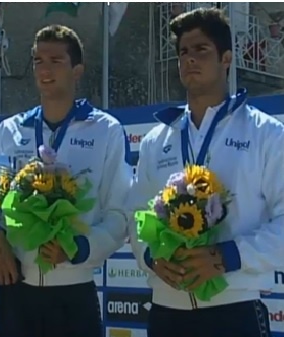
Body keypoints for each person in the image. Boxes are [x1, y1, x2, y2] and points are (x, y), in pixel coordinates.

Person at [129, 8, 284, 337]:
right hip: (167, 310)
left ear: (226, 58)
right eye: (184, 52)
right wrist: (150, 257)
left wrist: (229, 255)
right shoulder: (157, 139)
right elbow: (136, 214)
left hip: (234, 307)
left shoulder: (267, 133)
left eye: (201, 50)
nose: (190, 60)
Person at [0, 24, 132, 337]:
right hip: (16, 292)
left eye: (55, 61)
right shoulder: (9, 131)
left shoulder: (106, 130)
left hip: (74, 293)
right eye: (38, 61)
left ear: (77, 70)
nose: (44, 70)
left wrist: (79, 248)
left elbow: (120, 214)